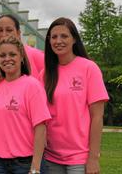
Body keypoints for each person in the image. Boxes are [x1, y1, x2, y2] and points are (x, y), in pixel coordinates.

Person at [40, 17, 109, 174]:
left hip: (80, 159)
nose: (58, 41)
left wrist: (93, 158)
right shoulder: (44, 74)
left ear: (74, 40)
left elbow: (97, 117)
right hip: (51, 157)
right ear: (49, 41)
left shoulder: (89, 68)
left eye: (64, 36)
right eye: (54, 37)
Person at [0, 37, 51, 174]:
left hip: (24, 163)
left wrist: (35, 168)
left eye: (12, 54)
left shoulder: (32, 86)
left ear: (22, 57)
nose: (7, 59)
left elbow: (41, 128)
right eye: (2, 55)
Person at [0, 14, 44, 78]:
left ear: (18, 33)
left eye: (9, 30)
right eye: (0, 30)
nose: (4, 34)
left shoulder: (36, 55)